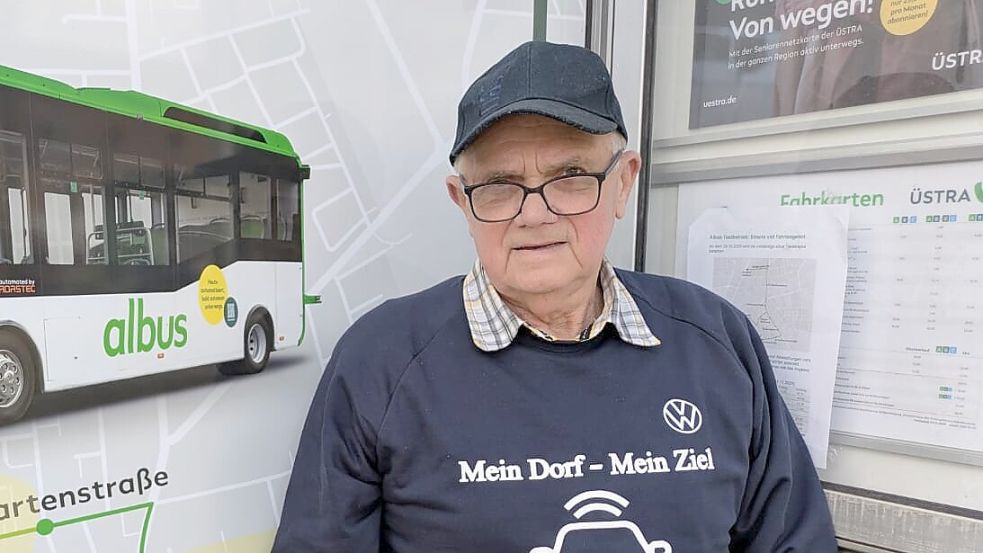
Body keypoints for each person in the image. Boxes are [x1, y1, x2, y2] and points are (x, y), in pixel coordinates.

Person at [273, 40, 837, 552]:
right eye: (499, 185)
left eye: (571, 175)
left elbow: (793, 541)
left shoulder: (716, 342)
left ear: (623, 183)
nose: (535, 214)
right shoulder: (381, 361)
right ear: (461, 201)